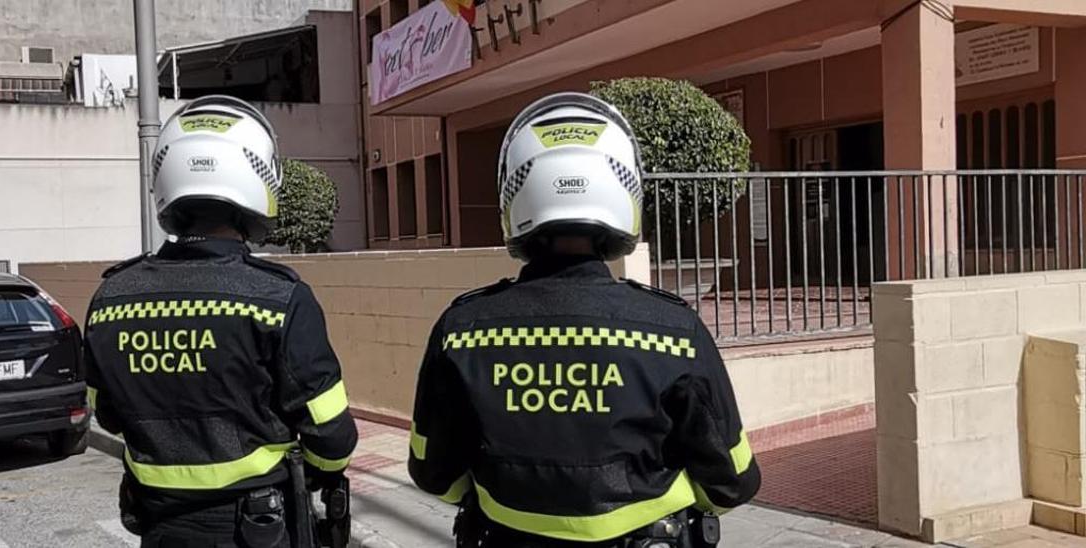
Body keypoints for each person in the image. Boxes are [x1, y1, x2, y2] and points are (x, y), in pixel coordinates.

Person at [408, 93, 760, 548]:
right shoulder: (674, 330)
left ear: (514, 195)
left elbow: (434, 473)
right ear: (624, 190)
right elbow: (732, 482)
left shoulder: (462, 331)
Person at [84, 96, 357, 548]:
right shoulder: (278, 297)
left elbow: (107, 414)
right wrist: (321, 474)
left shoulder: (111, 297)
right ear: (257, 175)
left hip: (159, 526)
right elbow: (331, 434)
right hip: (258, 528)